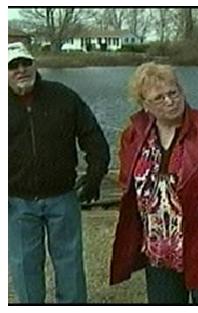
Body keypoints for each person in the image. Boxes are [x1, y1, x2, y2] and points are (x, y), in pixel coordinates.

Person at [109, 62, 198, 304]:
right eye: (159, 98)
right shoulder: (134, 135)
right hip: (158, 253)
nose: (170, 101)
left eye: (173, 93)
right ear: (145, 105)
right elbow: (128, 183)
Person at [8, 42, 110, 303]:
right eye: (12, 66)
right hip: (16, 203)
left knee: (70, 267)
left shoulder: (63, 96)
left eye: (25, 63)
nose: (20, 70)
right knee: (24, 269)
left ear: (34, 64)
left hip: (63, 198)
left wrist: (94, 175)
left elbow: (93, 137)